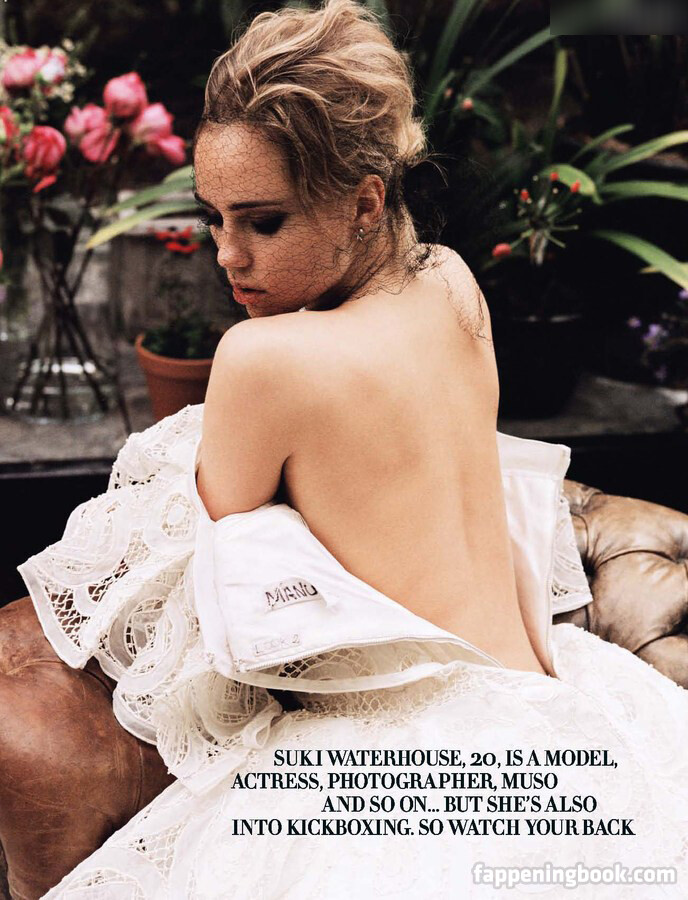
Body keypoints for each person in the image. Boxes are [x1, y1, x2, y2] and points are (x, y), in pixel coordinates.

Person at [18, 1, 688, 896]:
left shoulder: (263, 359)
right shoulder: (452, 281)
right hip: (562, 704)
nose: (227, 256)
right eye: (213, 218)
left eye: (263, 222)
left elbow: (198, 586)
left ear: (367, 200)